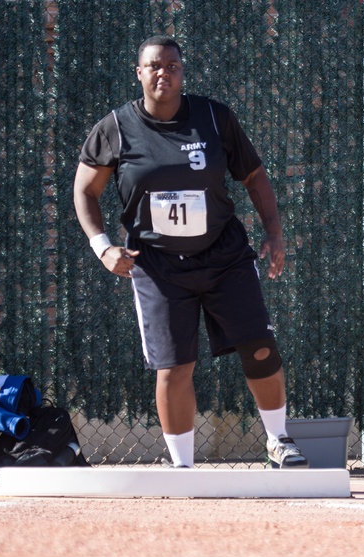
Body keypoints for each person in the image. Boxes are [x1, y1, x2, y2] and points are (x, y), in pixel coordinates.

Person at [72, 35, 308, 469]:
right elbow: (85, 191)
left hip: (224, 254)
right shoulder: (116, 128)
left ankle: (279, 441)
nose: (164, 73)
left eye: (173, 66)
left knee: (258, 346)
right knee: (174, 367)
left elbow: (254, 176)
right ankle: (182, 466)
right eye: (155, 66)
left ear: (183, 72)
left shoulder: (214, 118)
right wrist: (102, 247)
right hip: (158, 265)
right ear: (139, 73)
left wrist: (274, 234)